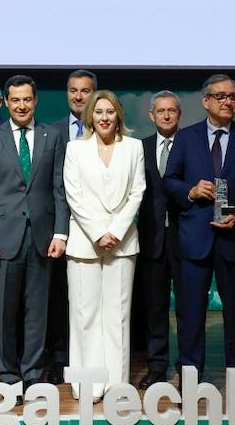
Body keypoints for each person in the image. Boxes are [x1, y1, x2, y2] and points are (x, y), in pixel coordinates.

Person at [162, 74, 235, 382]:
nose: (227, 101)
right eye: (221, 96)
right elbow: (169, 181)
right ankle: (190, 375)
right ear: (206, 101)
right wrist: (191, 191)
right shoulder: (185, 138)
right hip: (194, 239)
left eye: (233, 97)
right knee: (191, 315)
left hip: (234, 238)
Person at [0, 75, 68, 388]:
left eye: (27, 99)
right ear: (7, 103)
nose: (22, 105)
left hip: (42, 237)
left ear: (35, 100)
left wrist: (60, 232)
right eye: (15, 100)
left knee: (38, 312)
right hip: (3, 237)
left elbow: (58, 188)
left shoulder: (52, 136)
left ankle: (32, 373)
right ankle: (8, 374)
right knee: (5, 312)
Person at [63, 90, 145, 400]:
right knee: (85, 315)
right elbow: (74, 195)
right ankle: (87, 383)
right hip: (84, 242)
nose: (105, 117)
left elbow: (137, 192)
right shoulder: (75, 149)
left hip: (123, 243)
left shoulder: (134, 148)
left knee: (118, 315)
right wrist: (99, 232)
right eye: (99, 112)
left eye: (110, 111)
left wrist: (117, 231)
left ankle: (116, 385)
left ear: (118, 115)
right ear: (90, 117)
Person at [49, 69, 97, 382]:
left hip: (94, 229)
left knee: (90, 301)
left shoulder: (107, 130)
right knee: (56, 298)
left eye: (85, 91)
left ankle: (91, 359)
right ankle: (57, 360)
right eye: (72, 90)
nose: (78, 96)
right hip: (57, 228)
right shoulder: (51, 132)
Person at [136, 90, 182, 389]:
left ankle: (188, 367)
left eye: (172, 111)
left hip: (185, 237)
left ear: (179, 115)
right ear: (151, 115)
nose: (166, 115)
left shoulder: (192, 144)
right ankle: (157, 366)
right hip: (151, 237)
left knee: (187, 309)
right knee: (154, 308)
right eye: (160, 111)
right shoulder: (139, 148)